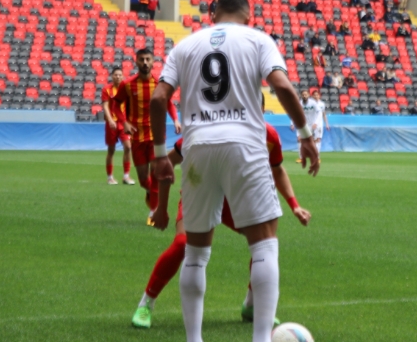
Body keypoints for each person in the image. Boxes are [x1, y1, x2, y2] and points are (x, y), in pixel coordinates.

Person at [149, 0, 319, 342]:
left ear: (212, 13)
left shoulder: (185, 45)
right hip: (245, 145)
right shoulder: (258, 39)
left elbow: (159, 99)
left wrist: (161, 154)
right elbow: (284, 89)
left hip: (197, 149)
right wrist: (305, 134)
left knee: (195, 253)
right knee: (264, 244)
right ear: (249, 14)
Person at [131, 97, 311, 329]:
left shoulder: (269, 136)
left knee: (265, 244)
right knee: (182, 244)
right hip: (199, 193)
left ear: (263, 110)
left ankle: (251, 304)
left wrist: (294, 204)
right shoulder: (209, 130)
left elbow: (277, 170)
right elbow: (165, 164)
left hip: (234, 200)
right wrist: (161, 208)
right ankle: (146, 303)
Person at [112, 49, 181, 225]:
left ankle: (154, 211)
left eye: (148, 59)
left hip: (155, 137)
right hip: (137, 138)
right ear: (136, 61)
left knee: (157, 174)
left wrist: (176, 120)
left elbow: (169, 103)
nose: (144, 62)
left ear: (153, 62)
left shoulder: (159, 84)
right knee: (143, 180)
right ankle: (151, 194)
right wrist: (124, 122)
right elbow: (116, 104)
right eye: (141, 59)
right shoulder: (127, 85)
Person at [101, 68, 135, 185]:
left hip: (123, 123)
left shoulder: (126, 89)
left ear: (123, 76)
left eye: (120, 75)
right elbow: (105, 106)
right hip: (111, 124)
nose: (118, 77)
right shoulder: (107, 89)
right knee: (111, 150)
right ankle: (110, 177)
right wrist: (110, 120)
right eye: (116, 75)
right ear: (112, 76)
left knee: (128, 147)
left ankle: (126, 176)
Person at [292, 89, 318, 164]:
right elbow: (294, 113)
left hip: (311, 124)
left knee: (312, 141)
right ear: (301, 95)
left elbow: (318, 113)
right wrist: (292, 123)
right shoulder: (299, 104)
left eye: (306, 94)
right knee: (299, 139)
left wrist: (316, 122)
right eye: (303, 94)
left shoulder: (313, 103)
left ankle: (314, 157)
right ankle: (301, 158)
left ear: (309, 95)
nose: (304, 96)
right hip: (301, 124)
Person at [311, 90, 330, 156]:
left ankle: (317, 155)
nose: (316, 96)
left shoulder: (322, 104)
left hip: (319, 124)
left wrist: (327, 124)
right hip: (311, 124)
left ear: (319, 96)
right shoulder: (310, 104)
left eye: (317, 95)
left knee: (318, 139)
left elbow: (323, 114)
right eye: (314, 95)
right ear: (312, 96)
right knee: (312, 140)